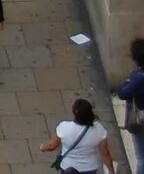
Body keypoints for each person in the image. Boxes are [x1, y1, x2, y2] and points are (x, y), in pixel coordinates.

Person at [41, 99, 113, 172]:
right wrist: (111, 171)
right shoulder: (99, 129)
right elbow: (105, 154)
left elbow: (52, 146)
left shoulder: (64, 127)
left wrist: (43, 148)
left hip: (68, 167)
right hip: (90, 168)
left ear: (74, 112)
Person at [116, 39, 144, 174]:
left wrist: (128, 80)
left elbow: (123, 93)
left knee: (141, 158)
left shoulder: (139, 77)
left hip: (141, 121)